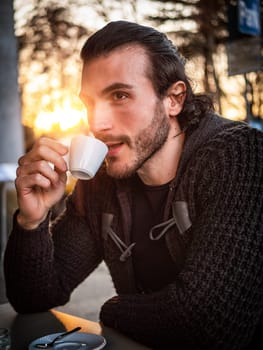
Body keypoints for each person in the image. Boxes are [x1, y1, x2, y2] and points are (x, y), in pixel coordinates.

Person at [4, 20, 263, 349]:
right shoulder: (101, 180)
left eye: (120, 95)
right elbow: (33, 297)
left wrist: (112, 312)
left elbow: (211, 324)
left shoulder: (239, 155)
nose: (97, 122)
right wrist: (33, 221)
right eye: (89, 103)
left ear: (174, 98)